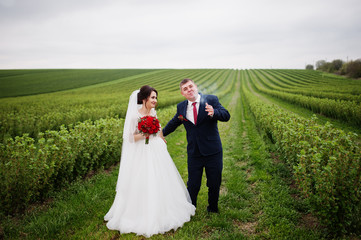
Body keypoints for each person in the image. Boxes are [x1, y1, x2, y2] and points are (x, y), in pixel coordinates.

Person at [104, 85, 195, 238]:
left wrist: (161, 137)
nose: (155, 100)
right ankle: (140, 213)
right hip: (141, 151)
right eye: (152, 97)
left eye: (156, 98)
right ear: (144, 99)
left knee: (161, 177)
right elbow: (131, 138)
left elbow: (158, 127)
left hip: (156, 149)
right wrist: (146, 133)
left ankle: (164, 208)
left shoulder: (153, 112)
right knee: (143, 179)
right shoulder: (134, 115)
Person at [162, 79, 230, 213]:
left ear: (196, 87)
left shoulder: (211, 99)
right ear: (183, 93)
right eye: (185, 89)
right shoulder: (181, 107)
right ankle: (189, 209)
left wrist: (214, 112)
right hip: (194, 152)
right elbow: (174, 122)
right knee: (193, 184)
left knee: (214, 182)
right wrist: (161, 134)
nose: (189, 90)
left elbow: (226, 115)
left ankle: (213, 208)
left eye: (190, 86)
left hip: (212, 151)